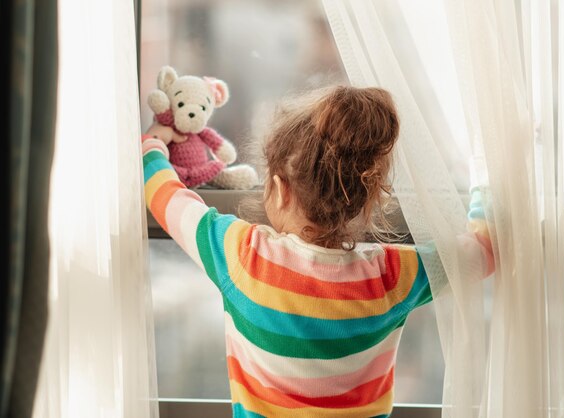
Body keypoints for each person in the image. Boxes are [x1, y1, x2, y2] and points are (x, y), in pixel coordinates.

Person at [141, 86, 493, 417]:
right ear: (364, 197)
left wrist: (154, 145)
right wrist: (485, 176)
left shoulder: (244, 256)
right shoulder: (392, 275)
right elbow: (483, 249)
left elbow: (167, 198)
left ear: (279, 190)